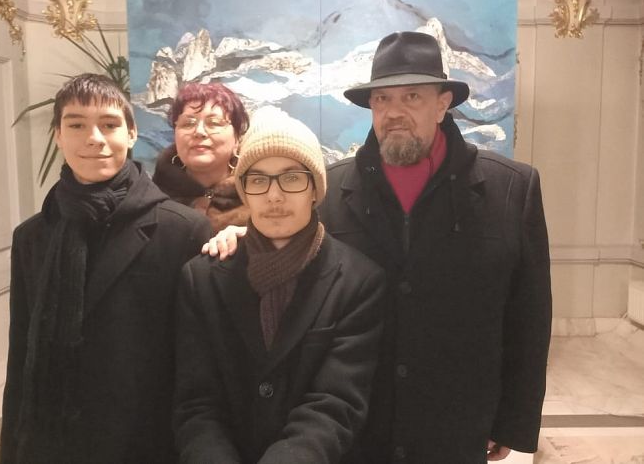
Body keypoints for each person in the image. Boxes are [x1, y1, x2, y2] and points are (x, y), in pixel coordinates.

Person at [204, 32, 552, 463]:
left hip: (456, 419)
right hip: (353, 420)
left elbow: (529, 316)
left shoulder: (511, 189)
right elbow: (285, 246)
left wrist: (512, 420)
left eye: (412, 96)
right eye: (382, 99)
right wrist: (241, 239)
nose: (394, 112)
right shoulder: (331, 191)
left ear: (443, 104)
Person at [0, 74, 211, 464]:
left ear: (131, 134)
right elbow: (21, 358)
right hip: (54, 441)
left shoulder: (182, 230)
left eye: (109, 124)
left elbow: (197, 363)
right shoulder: (32, 237)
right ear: (58, 135)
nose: (94, 138)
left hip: (145, 441)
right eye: (76, 125)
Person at [173, 111, 386, 464]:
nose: (274, 196)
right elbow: (197, 402)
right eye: (258, 180)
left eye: (291, 178)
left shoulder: (358, 281)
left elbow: (336, 403)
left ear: (315, 189)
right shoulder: (202, 278)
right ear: (244, 190)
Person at [153, 82, 250, 233]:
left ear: (237, 138)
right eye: (188, 123)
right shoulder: (153, 197)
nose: (199, 132)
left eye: (214, 123)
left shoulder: (257, 197)